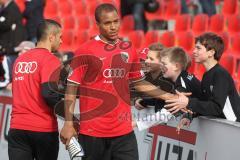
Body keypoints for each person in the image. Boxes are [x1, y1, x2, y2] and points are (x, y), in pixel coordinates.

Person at [60, 3, 186, 160]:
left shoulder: (128, 49)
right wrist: (68, 123)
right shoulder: (85, 51)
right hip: (93, 133)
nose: (113, 27)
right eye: (107, 23)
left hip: (123, 133)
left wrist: (169, 97)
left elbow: (139, 82)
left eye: (116, 21)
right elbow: (71, 88)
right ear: (98, 24)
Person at [8, 19, 63, 160]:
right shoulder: (51, 60)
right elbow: (48, 94)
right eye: (60, 37)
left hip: (17, 128)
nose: (61, 41)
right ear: (51, 37)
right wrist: (67, 110)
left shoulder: (19, 61)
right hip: (42, 129)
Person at [165, 33, 240, 129]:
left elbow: (216, 108)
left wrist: (188, 102)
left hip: (234, 129)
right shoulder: (207, 75)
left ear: (211, 52)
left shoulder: (220, 74)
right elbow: (205, 103)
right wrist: (190, 116)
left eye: (198, 48)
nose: (194, 51)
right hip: (221, 129)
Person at [133, 47, 201, 131]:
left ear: (176, 66)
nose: (161, 66)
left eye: (164, 64)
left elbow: (165, 114)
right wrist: (143, 102)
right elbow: (163, 99)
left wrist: (135, 124)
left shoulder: (182, 85)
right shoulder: (178, 79)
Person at [0, 0, 27, 88]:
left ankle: (8, 82)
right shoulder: (5, 8)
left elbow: (6, 24)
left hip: (12, 45)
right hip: (8, 45)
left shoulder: (12, 8)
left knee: (10, 69)